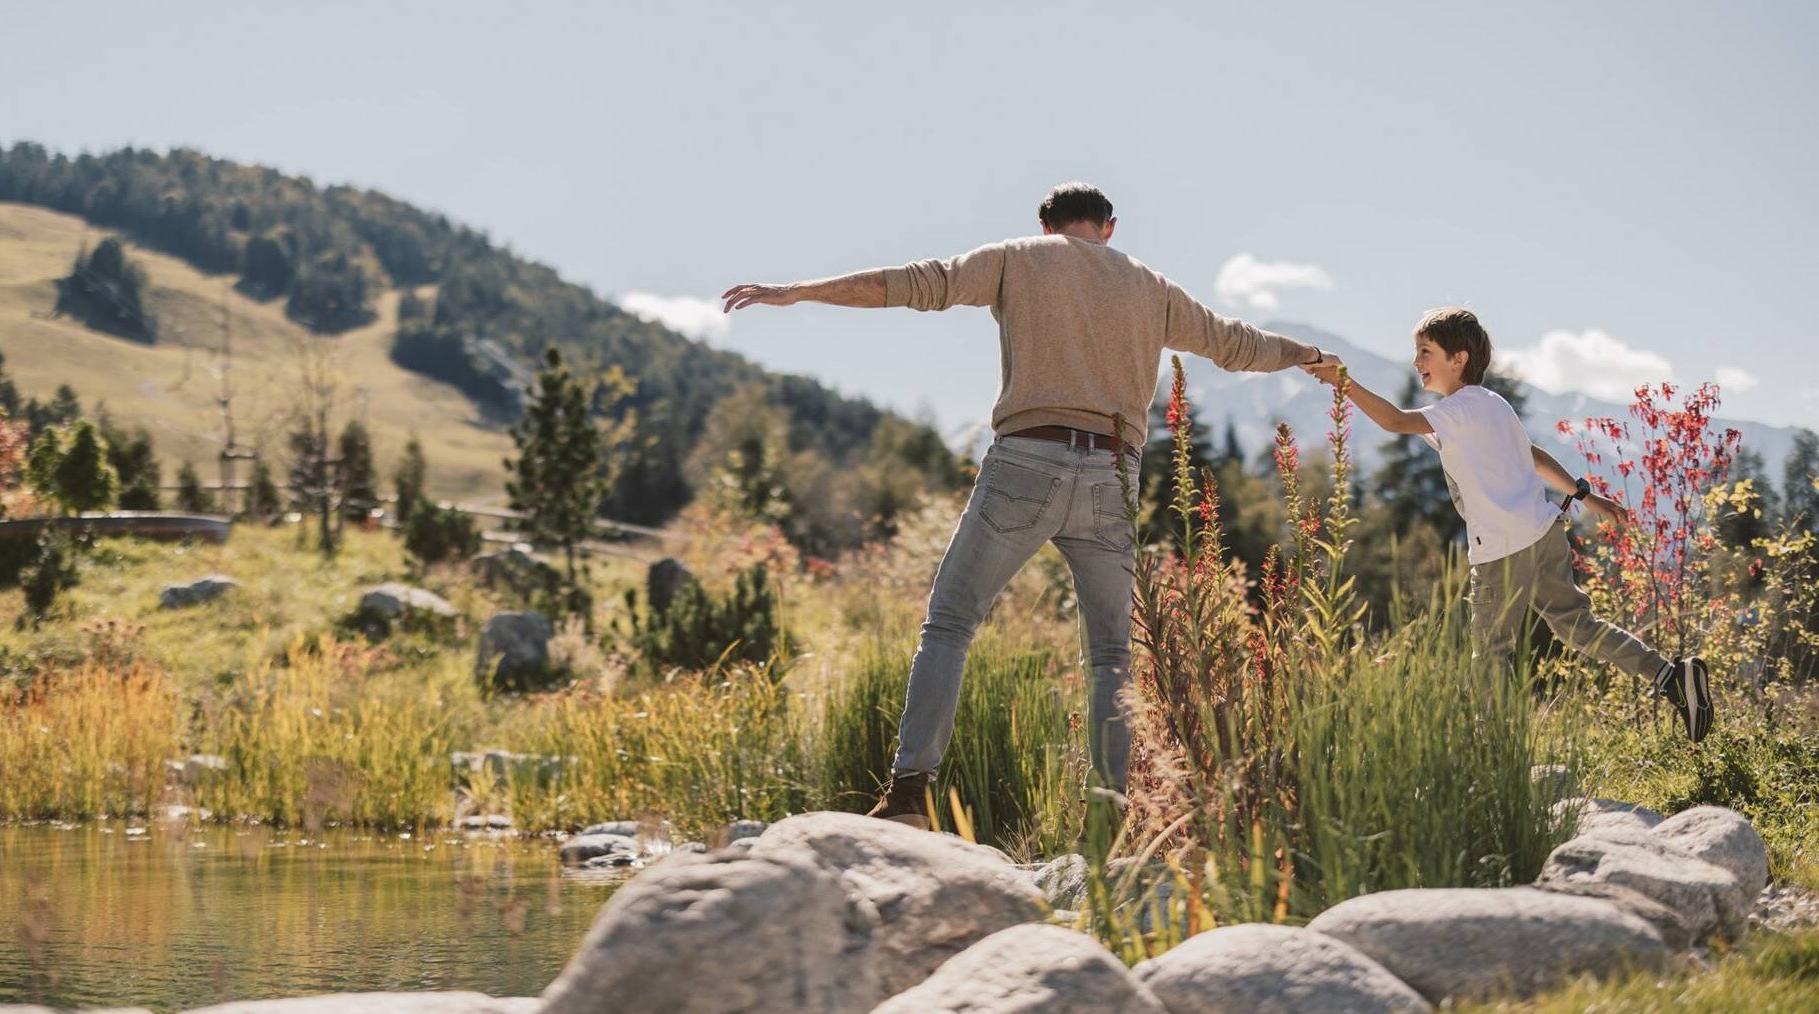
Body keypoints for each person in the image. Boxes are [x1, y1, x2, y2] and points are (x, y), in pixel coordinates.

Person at [721, 182, 1336, 829]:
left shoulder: (1018, 257)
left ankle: (909, 795)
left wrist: (796, 291)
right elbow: (1235, 343)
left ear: (1046, 228)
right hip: (1112, 479)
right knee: (1110, 659)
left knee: (951, 624)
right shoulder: (1151, 287)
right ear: (1109, 227)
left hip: (1025, 463)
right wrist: (1308, 356)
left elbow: (911, 283)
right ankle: (1113, 818)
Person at [1305, 307, 1713, 741]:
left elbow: (1394, 421)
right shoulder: (1489, 406)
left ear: (1457, 359)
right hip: (1543, 531)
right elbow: (1531, 454)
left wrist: (1343, 383)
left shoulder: (1460, 409)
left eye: (1425, 352)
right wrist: (1583, 494)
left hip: (1501, 548)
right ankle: (1671, 677)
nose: (1417, 362)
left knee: (1492, 654)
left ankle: (1495, 750)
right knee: (1578, 626)